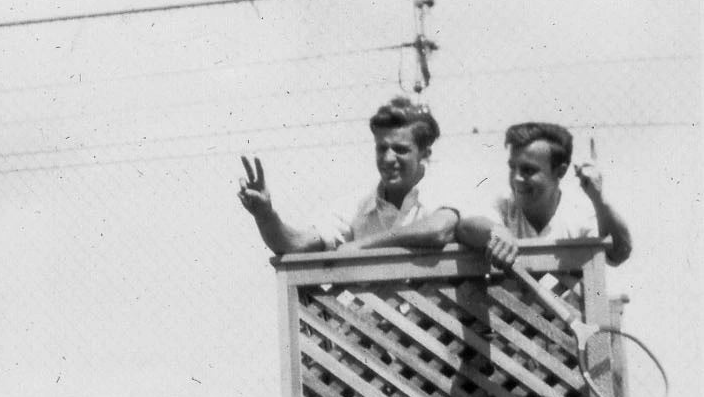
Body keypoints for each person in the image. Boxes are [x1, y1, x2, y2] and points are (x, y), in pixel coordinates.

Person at [238, 97, 460, 256]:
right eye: (382, 148)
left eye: (400, 149)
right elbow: (296, 244)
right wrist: (265, 215)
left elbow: (439, 229)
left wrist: (363, 246)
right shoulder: (358, 205)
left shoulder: (442, 187)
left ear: (425, 153)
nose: (388, 158)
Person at [456, 121, 632, 271]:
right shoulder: (504, 204)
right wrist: (495, 231)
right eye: (512, 167)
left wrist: (600, 200)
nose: (516, 178)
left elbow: (619, 253)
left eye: (528, 170)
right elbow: (464, 227)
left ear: (560, 172)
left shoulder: (579, 213)